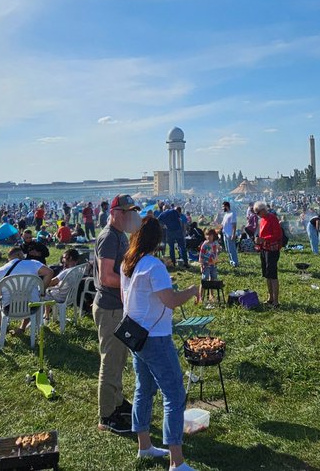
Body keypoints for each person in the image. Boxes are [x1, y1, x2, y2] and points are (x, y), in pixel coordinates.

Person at [120, 215, 198, 471]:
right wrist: (192, 290)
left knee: (143, 389)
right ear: (157, 239)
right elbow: (171, 300)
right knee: (174, 394)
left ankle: (144, 445)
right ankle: (177, 461)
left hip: (135, 335)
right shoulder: (154, 266)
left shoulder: (129, 263)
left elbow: (127, 298)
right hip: (155, 338)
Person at [94, 194, 142, 434]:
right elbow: (106, 277)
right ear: (114, 213)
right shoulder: (109, 237)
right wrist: (132, 283)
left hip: (119, 306)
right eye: (124, 212)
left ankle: (117, 401)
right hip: (110, 307)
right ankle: (107, 414)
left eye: (130, 212)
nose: (128, 216)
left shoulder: (120, 236)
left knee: (120, 358)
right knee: (110, 361)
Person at [253, 201, 284, 308]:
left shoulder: (272, 218)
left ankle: (276, 301)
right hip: (264, 249)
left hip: (272, 249)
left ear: (263, 210)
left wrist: (263, 239)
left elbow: (277, 235)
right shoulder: (262, 220)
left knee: (273, 275)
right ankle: (270, 298)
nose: (257, 215)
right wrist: (258, 242)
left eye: (258, 212)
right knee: (267, 274)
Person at [198, 228, 220, 302]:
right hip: (206, 265)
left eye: (210, 235)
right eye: (207, 235)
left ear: (213, 235)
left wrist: (216, 260)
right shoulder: (204, 245)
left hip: (213, 265)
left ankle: (211, 295)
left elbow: (216, 252)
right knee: (204, 280)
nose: (208, 237)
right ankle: (200, 297)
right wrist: (201, 265)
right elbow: (201, 255)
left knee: (213, 280)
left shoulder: (215, 243)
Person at [220, 201, 239, 268]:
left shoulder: (232, 213)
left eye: (223, 206)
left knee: (232, 249)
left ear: (226, 206)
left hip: (230, 234)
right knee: (228, 249)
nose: (222, 208)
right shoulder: (226, 214)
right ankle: (231, 261)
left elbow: (234, 225)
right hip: (225, 234)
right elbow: (222, 224)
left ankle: (235, 262)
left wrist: (233, 234)